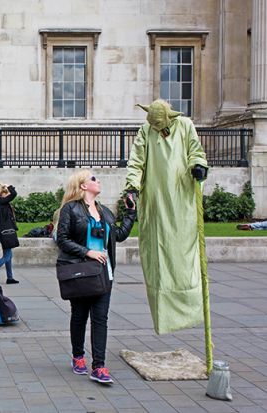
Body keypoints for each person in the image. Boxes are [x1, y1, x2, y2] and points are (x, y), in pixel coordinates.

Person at [125, 99, 209, 334]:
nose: (159, 131)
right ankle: (165, 316)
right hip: (155, 201)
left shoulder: (185, 125)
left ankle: (190, 310)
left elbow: (196, 151)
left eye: (161, 127)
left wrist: (198, 166)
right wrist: (131, 187)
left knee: (183, 255)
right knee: (158, 257)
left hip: (181, 199)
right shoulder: (145, 131)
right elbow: (136, 162)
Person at [57, 170, 136, 384]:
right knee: (80, 316)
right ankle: (78, 356)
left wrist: (131, 214)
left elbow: (118, 235)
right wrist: (87, 252)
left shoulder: (105, 212)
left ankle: (99, 366)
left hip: (103, 273)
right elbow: (62, 239)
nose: (98, 180)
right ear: (82, 185)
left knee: (100, 319)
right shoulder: (70, 209)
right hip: (81, 271)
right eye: (93, 178)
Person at [0, 179, 20, 284]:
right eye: (6, 193)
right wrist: (7, 185)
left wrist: (0, 185)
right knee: (7, 256)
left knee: (8, 254)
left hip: (1, 231)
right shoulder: (1, 201)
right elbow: (14, 193)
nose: (8, 196)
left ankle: (10, 277)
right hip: (5, 231)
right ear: (3, 194)